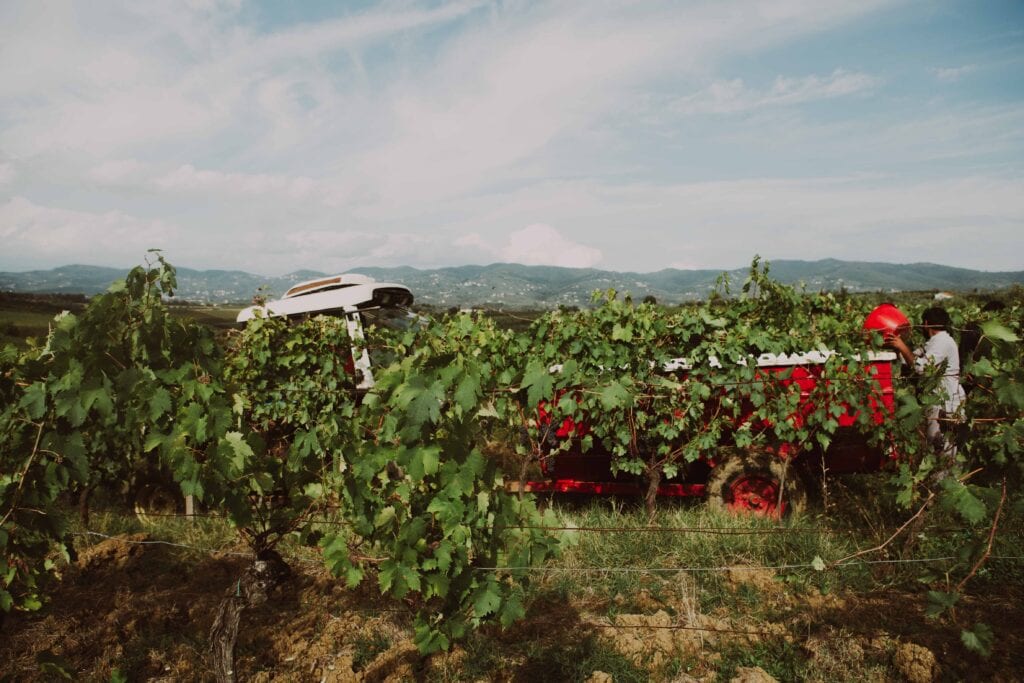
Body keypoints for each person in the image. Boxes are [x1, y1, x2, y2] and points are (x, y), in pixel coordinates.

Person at [888, 307, 965, 459]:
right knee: (940, 450)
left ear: (926, 324)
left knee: (943, 451)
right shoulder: (935, 342)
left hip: (946, 404)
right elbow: (913, 358)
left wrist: (902, 346)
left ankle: (944, 481)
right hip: (940, 402)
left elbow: (921, 367)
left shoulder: (942, 342)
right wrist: (899, 348)